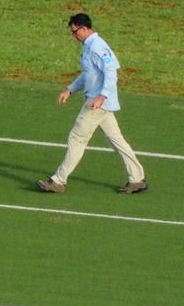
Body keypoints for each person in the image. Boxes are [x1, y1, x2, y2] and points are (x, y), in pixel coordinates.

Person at [36, 13, 147, 194]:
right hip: (99, 101)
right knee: (116, 139)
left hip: (97, 103)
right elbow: (89, 74)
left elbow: (112, 73)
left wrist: (102, 97)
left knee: (77, 138)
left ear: (84, 28)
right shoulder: (89, 47)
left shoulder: (97, 47)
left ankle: (58, 180)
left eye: (75, 32)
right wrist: (70, 89)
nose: (73, 36)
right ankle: (137, 179)